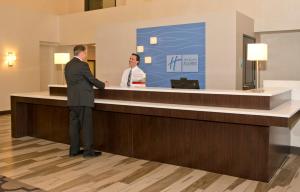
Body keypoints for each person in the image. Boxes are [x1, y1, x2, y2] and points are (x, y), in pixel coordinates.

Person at [65, 45, 106, 158]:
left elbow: (76, 82)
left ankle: (74, 150)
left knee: (74, 127)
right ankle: (88, 152)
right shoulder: (83, 65)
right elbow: (91, 79)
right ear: (81, 53)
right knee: (86, 126)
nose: (86, 55)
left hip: (72, 101)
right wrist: (103, 85)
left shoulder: (68, 65)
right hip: (83, 100)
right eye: (86, 53)